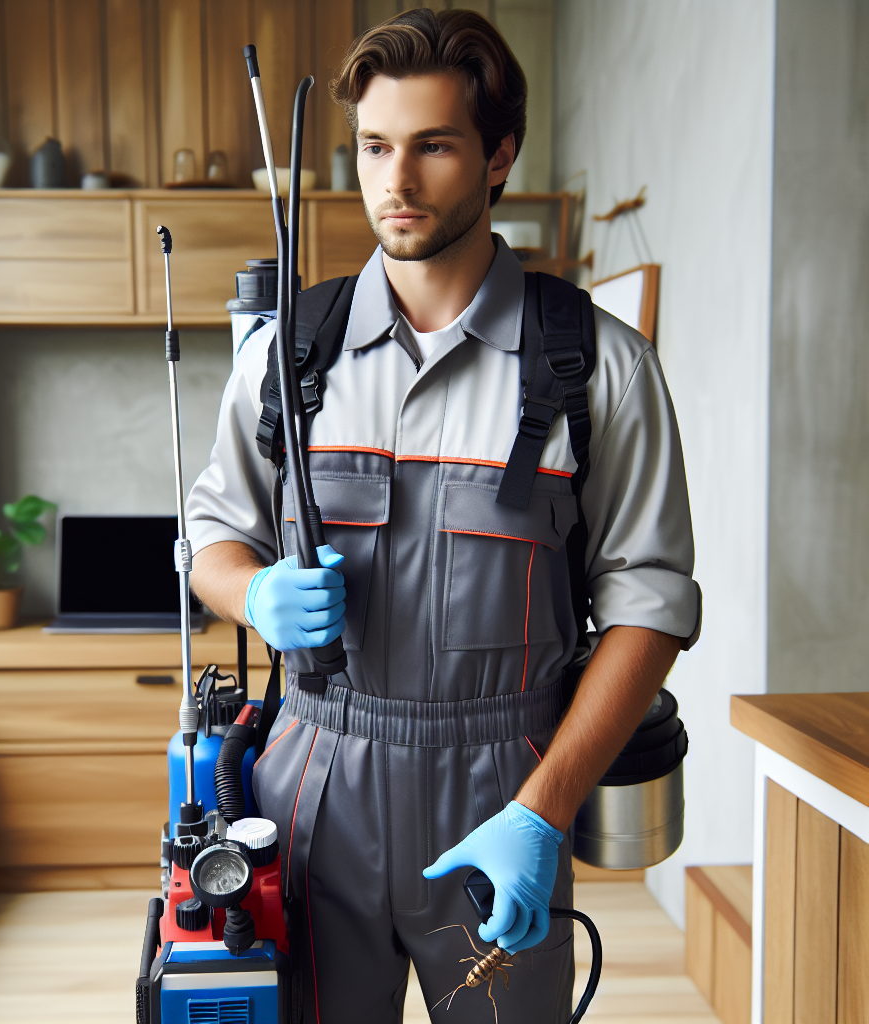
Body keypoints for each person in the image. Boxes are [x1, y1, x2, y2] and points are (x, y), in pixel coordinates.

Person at [187, 8, 699, 1022]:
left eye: (433, 146)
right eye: (376, 146)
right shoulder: (284, 358)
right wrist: (253, 593)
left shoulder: (600, 369)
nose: (397, 180)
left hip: (504, 790)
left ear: (499, 154)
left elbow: (648, 608)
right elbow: (210, 538)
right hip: (310, 787)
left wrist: (541, 813)